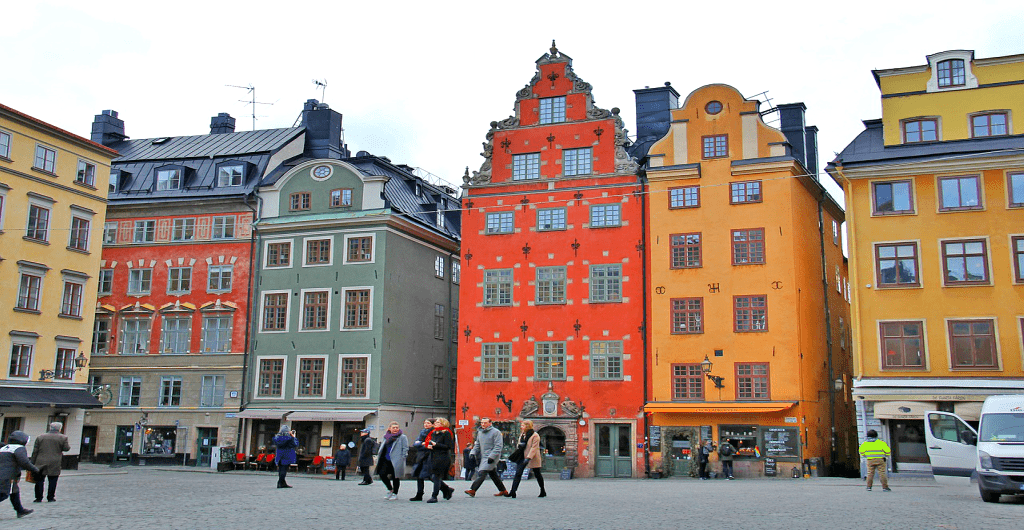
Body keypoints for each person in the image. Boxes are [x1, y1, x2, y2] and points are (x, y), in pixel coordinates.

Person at [465, 417, 507, 497]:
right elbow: (477, 444)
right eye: (482, 423)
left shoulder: (496, 432)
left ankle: (473, 490)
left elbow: (498, 446)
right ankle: (503, 490)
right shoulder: (480, 432)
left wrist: (492, 456)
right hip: (484, 456)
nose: (483, 424)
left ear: (490, 423)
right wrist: (472, 452)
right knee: (493, 475)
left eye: (485, 423)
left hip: (492, 456)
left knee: (482, 472)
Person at [0, 431, 39, 518]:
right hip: (8, 475)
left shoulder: (4, 448)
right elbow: (24, 462)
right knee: (3, 494)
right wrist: (35, 469)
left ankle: (20, 510)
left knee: (14, 492)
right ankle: (20, 510)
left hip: (4, 474)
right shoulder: (19, 448)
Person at [506, 420, 546, 499]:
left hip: (533, 457)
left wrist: (528, 458)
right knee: (518, 473)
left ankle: (542, 490)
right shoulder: (522, 434)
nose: (521, 427)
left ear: (527, 426)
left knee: (537, 474)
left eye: (523, 425)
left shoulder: (535, 435)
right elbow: (519, 444)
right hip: (522, 456)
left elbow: (534, 448)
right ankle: (513, 491)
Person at [31, 422, 69, 503]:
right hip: (55, 461)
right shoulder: (63, 437)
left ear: (50, 428)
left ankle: (38, 497)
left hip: (40, 461)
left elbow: (35, 451)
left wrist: (32, 463)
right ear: (59, 429)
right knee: (53, 480)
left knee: (39, 481)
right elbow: (66, 448)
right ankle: (50, 497)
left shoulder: (40, 437)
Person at [424, 418, 455, 503]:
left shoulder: (446, 433)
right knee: (430, 476)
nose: (435, 423)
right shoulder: (434, 433)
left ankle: (434, 496)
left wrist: (436, 444)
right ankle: (447, 489)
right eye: (435, 422)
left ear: (443, 424)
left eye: (438, 422)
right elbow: (431, 443)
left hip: (442, 458)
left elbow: (448, 446)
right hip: (433, 456)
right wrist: (429, 446)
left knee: (436, 476)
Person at [375, 421, 409, 500]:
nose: (395, 429)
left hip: (397, 459)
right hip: (385, 459)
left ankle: (395, 493)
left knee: (395, 477)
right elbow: (383, 446)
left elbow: (405, 448)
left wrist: (403, 457)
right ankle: (390, 489)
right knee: (382, 474)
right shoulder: (386, 436)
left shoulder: (402, 437)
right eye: (393, 427)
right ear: (389, 428)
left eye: (397, 427)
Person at [409, 418, 435, 501]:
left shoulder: (433, 433)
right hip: (420, 456)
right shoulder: (422, 432)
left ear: (433, 424)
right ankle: (419, 494)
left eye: (428, 423)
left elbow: (431, 444)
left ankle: (446, 489)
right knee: (419, 475)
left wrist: (422, 444)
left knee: (430, 476)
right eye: (425, 423)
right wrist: (422, 443)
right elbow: (415, 443)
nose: (426, 425)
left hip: (429, 456)